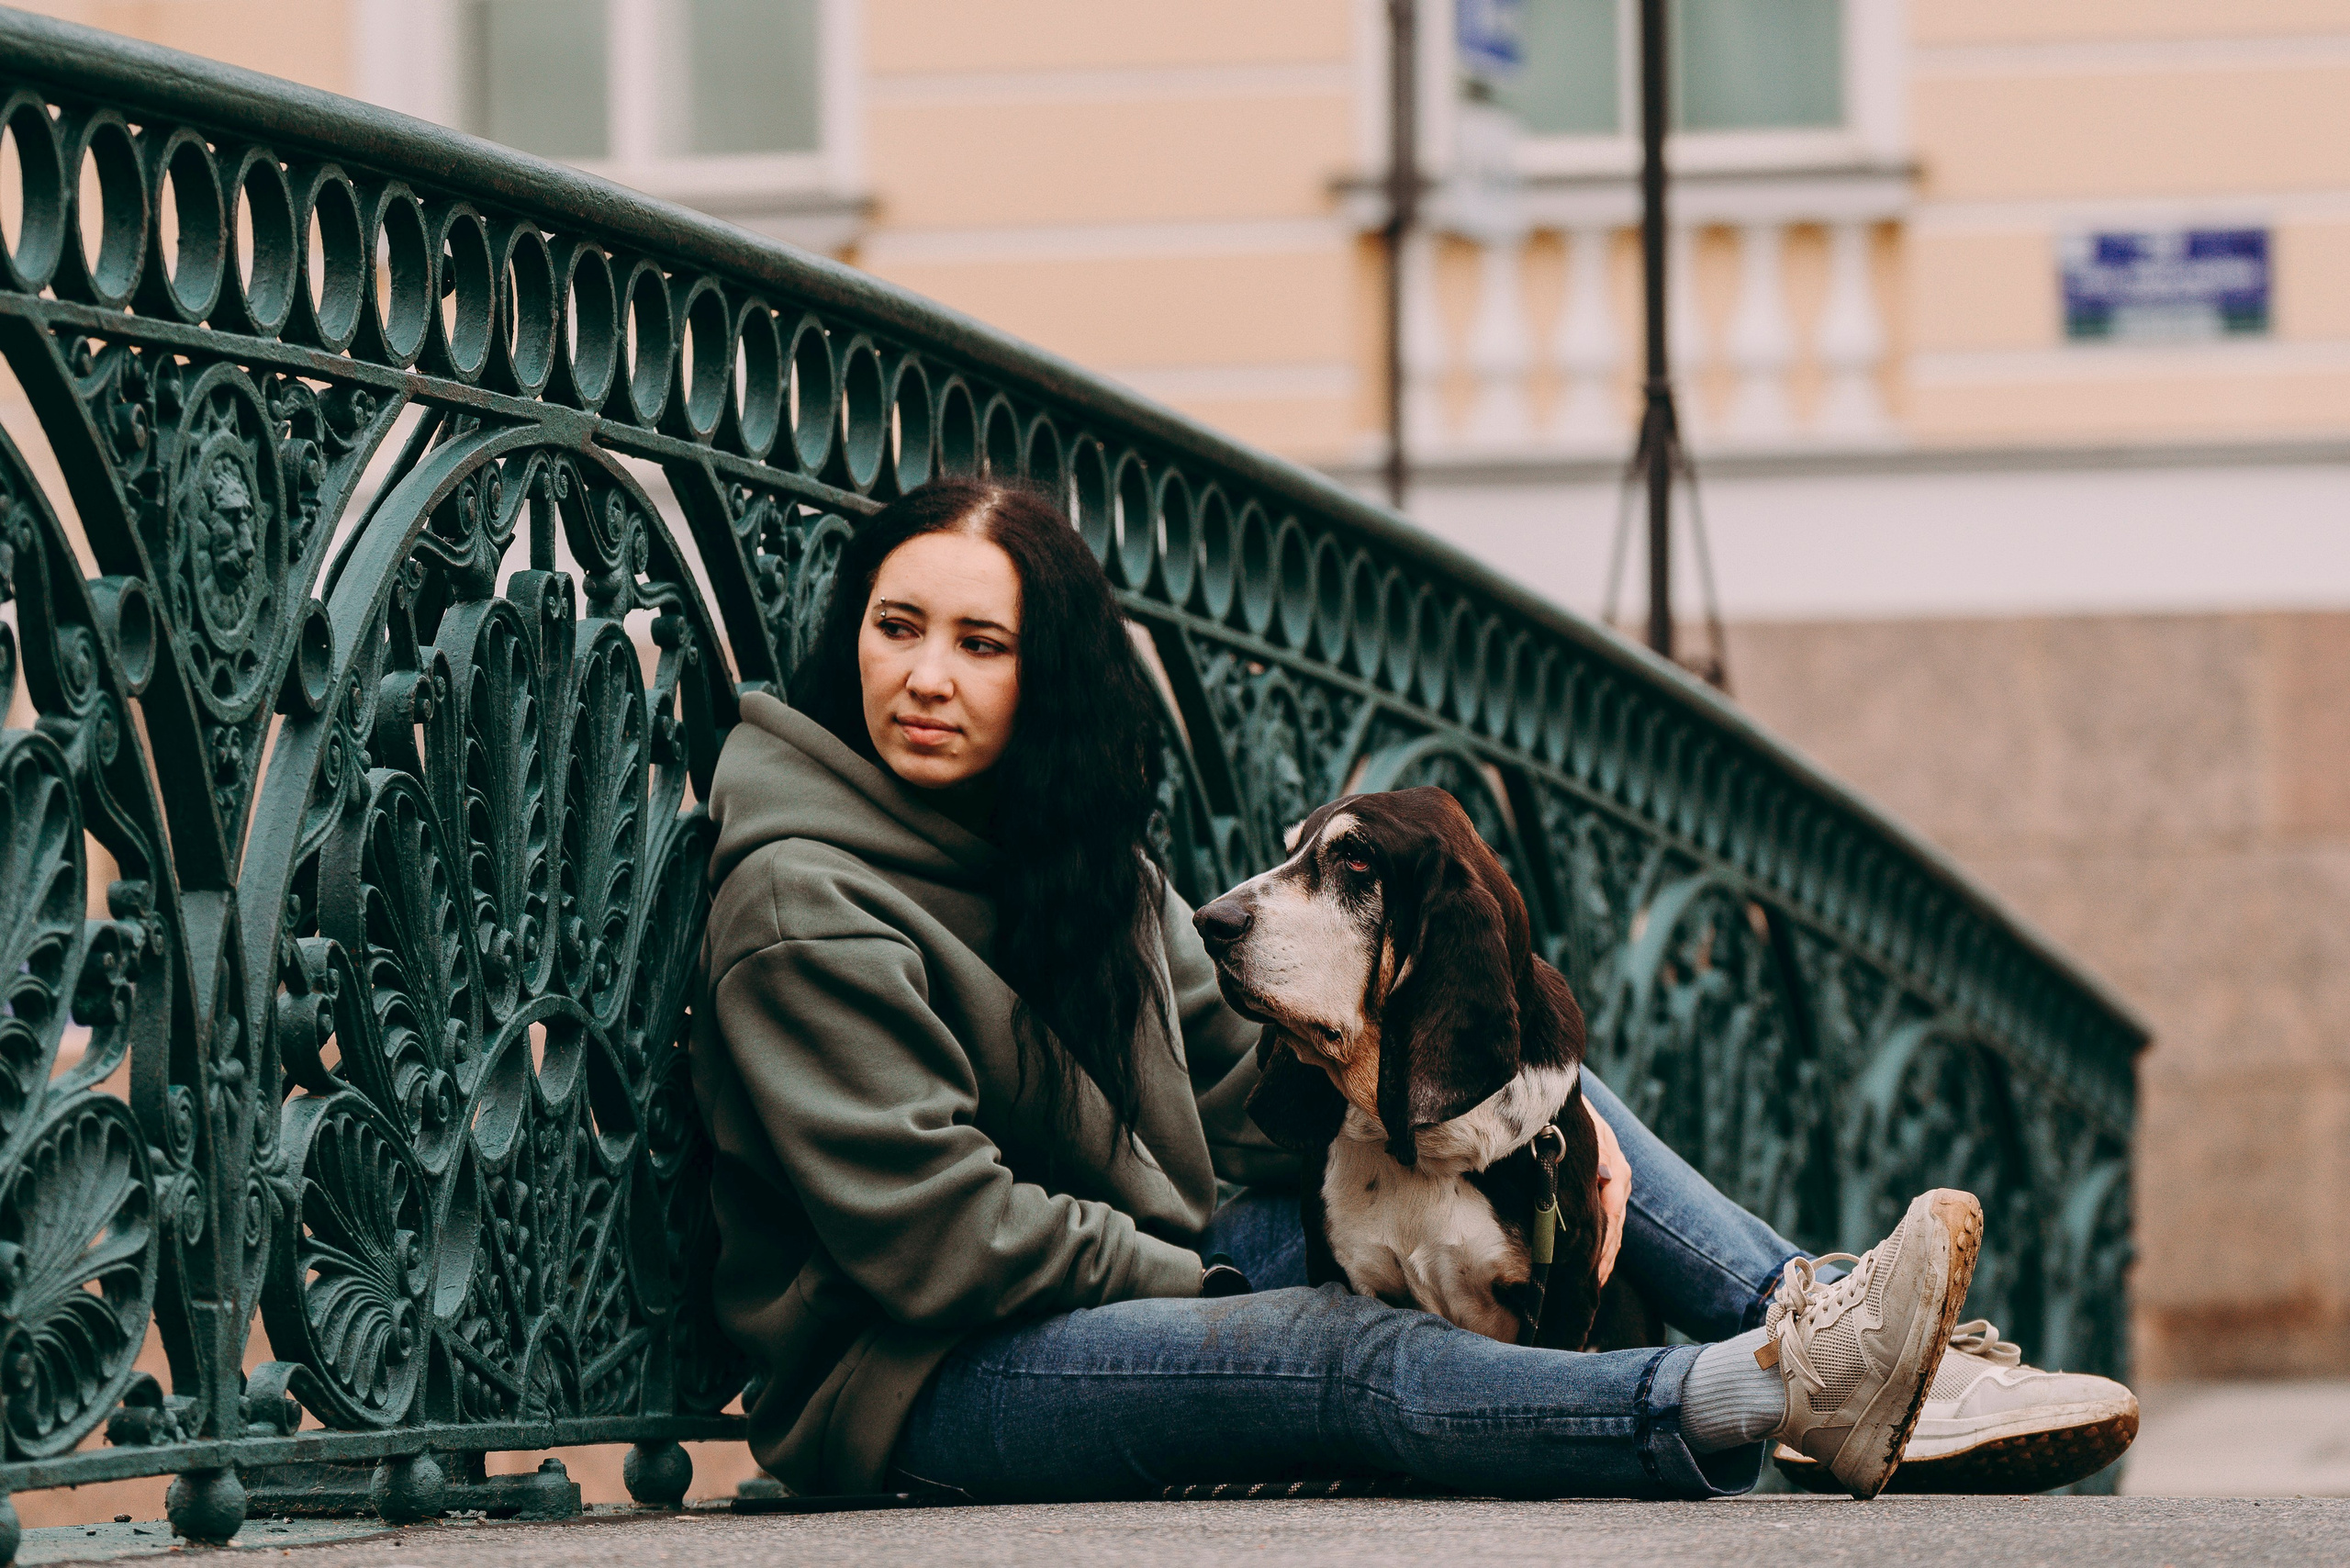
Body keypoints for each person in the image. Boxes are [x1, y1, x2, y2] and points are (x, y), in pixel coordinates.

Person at [687, 478, 2136, 1504]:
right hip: (920, 1381)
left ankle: (1826, 1324)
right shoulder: (805, 902)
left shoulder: (1069, 864)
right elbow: (940, 1242)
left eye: (980, 643)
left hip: (1122, 1268)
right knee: (1337, 1355)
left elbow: (1239, 1099)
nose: (925, 677)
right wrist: (1215, 1287)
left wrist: (1535, 1128)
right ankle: (1754, 1392)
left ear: (1046, 679)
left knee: (1518, 1088)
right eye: (896, 627)